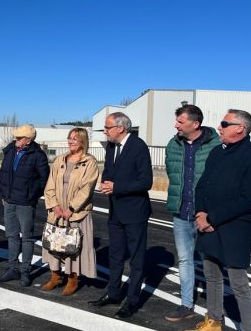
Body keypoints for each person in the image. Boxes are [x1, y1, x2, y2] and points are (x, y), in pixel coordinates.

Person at [188, 109, 251, 331]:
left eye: (224, 123)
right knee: (211, 277)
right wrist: (201, 213)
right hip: (208, 226)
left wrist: (212, 217)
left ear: (240, 128)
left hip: (234, 229)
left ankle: (249, 328)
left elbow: (247, 199)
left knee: (238, 284)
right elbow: (202, 185)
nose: (219, 127)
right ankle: (214, 321)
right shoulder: (216, 152)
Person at [89, 112, 153, 319]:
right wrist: (106, 183)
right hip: (115, 211)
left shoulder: (138, 146)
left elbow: (146, 182)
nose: (105, 131)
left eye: (107, 127)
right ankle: (113, 293)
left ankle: (132, 301)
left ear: (120, 128)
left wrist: (117, 187)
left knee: (136, 259)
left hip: (135, 212)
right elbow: (108, 171)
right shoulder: (111, 146)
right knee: (115, 256)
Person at [164, 105, 220, 322]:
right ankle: (186, 304)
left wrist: (210, 212)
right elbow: (172, 172)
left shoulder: (215, 145)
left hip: (206, 214)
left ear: (195, 124)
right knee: (185, 259)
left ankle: (215, 309)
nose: (175, 125)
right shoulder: (173, 144)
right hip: (181, 212)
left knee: (212, 262)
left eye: (180, 121)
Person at [41, 128, 99, 295]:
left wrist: (71, 208)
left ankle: (72, 278)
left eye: (75, 139)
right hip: (57, 210)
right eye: (69, 138)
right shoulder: (60, 160)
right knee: (54, 243)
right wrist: (54, 205)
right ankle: (55, 276)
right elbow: (50, 185)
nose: (71, 141)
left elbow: (86, 189)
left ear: (83, 141)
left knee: (74, 245)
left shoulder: (89, 162)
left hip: (77, 212)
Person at [0, 124, 49, 287]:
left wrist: (31, 196)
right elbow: (3, 174)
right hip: (9, 201)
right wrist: (4, 195)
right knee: (11, 236)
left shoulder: (38, 156)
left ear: (28, 140)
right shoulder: (10, 150)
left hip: (25, 203)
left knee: (26, 238)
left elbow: (44, 179)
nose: (16, 139)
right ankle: (13, 268)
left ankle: (25, 271)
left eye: (19, 138)